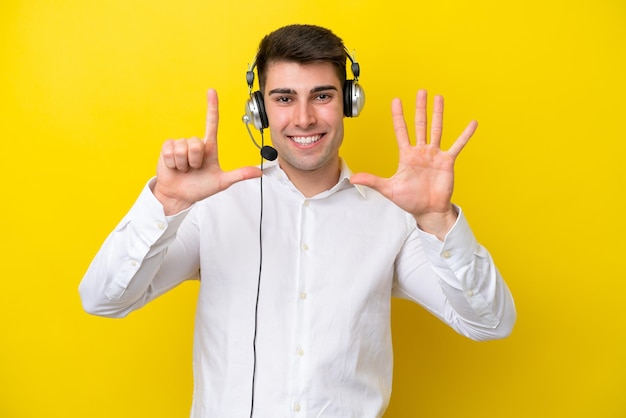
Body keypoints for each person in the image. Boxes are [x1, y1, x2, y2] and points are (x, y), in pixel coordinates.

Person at [79, 24, 516, 417]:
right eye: (284, 98)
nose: (304, 118)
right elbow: (102, 299)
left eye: (322, 96)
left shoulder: (394, 219)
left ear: (348, 101)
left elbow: (490, 324)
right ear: (260, 110)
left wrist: (438, 219)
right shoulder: (215, 206)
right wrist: (166, 202)